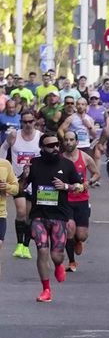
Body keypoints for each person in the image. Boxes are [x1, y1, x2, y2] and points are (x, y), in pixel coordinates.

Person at [17, 130, 79, 301]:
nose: (55, 148)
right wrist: (25, 175)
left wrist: (66, 187)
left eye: (57, 145)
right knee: (42, 252)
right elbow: (20, 189)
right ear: (42, 148)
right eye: (50, 146)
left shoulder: (66, 164)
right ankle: (46, 290)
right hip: (39, 215)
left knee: (55, 256)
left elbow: (80, 186)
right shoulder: (34, 164)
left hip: (59, 216)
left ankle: (59, 264)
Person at [5, 107, 41, 256]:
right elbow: (2, 151)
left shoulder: (40, 137)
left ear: (35, 122)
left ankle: (26, 246)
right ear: (20, 122)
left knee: (30, 214)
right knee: (20, 211)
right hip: (18, 179)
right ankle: (19, 245)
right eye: (24, 122)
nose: (27, 124)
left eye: (30, 121)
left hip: (34, 180)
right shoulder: (14, 136)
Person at [58, 130, 95, 272]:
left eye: (71, 140)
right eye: (66, 140)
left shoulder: (84, 157)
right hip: (66, 200)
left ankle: (78, 241)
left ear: (77, 142)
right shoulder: (60, 159)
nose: (68, 142)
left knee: (81, 235)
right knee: (69, 229)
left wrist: (89, 182)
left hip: (82, 200)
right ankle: (72, 262)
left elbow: (96, 173)